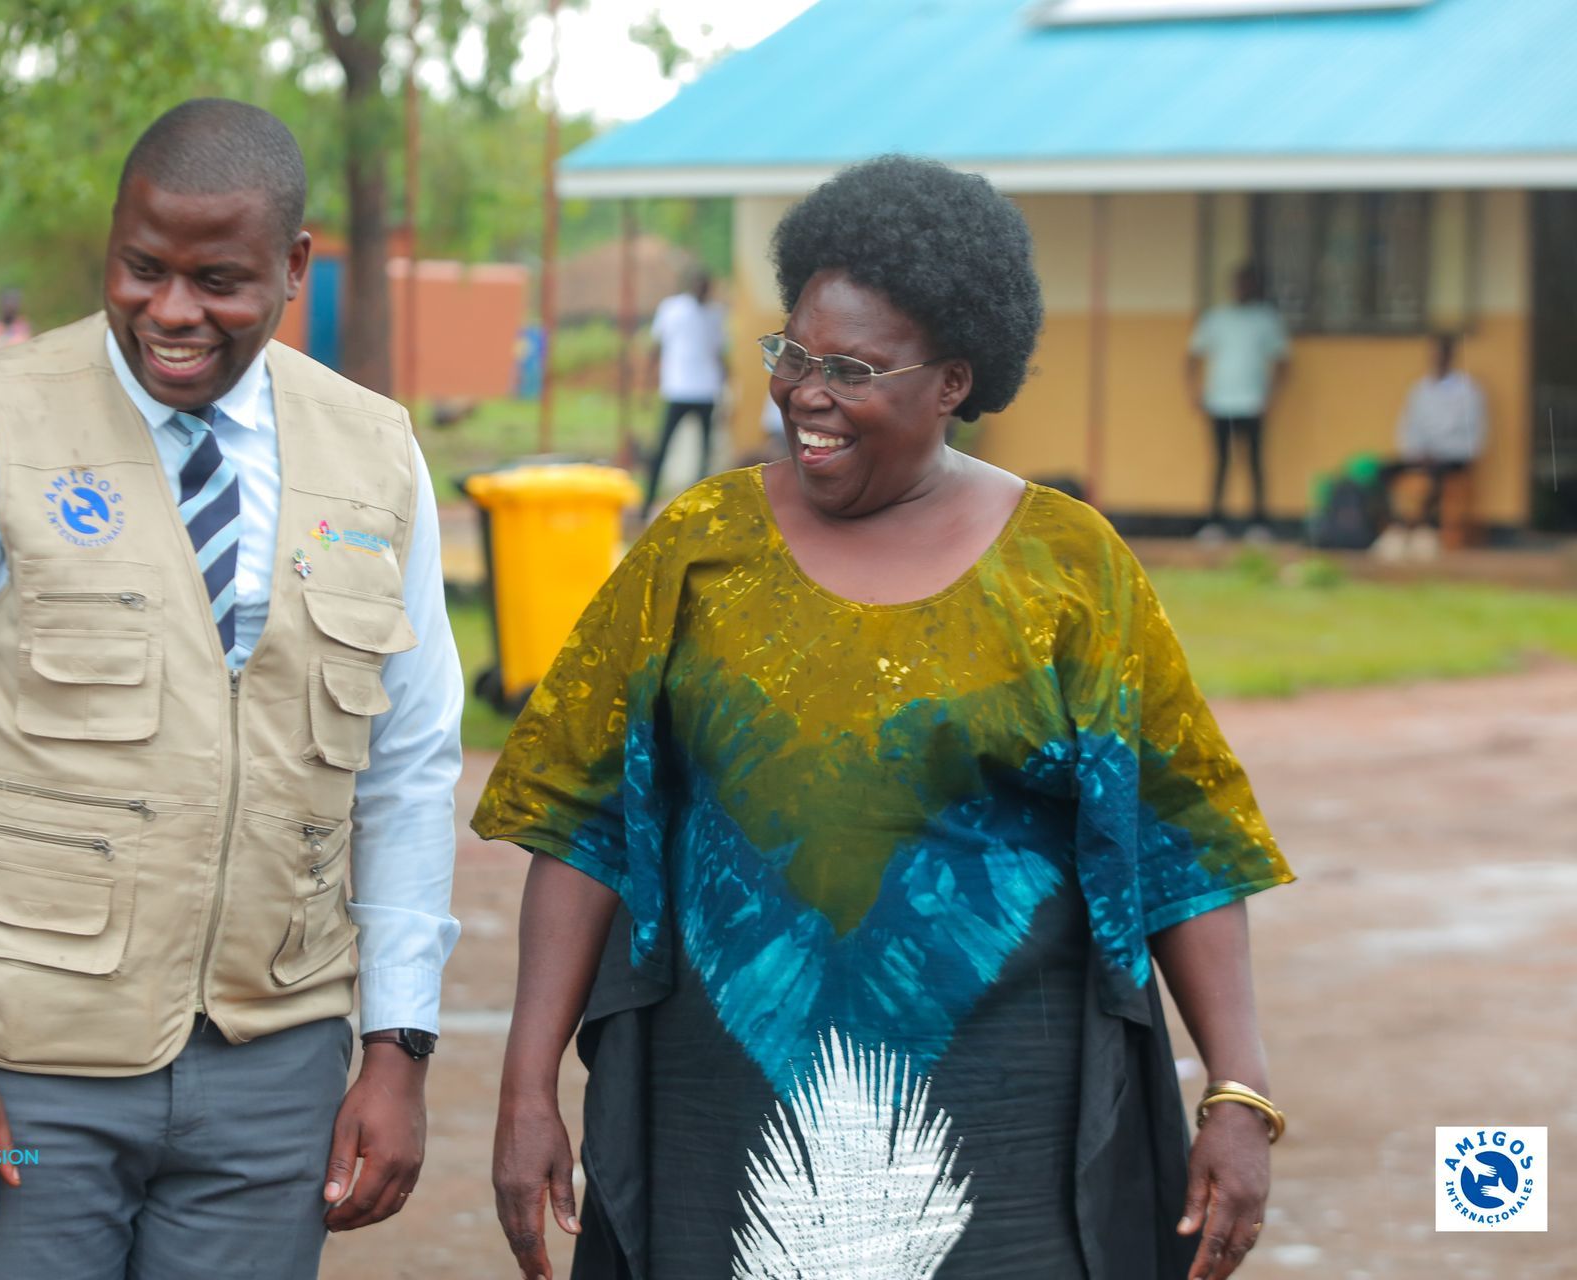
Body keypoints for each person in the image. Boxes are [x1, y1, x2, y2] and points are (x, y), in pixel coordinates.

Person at [475, 156, 1294, 1280]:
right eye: (793, 353)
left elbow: (1183, 840)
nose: (806, 391)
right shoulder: (694, 549)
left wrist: (1239, 1090)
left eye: (851, 367)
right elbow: (581, 823)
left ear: (953, 379)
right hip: (719, 1139)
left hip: (1005, 1149)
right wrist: (526, 1090)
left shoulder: (1068, 567)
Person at [0, 99, 464, 1279]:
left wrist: (398, 1045)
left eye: (218, 279)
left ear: (294, 268)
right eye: (141, 267)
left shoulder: (377, 455)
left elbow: (411, 764)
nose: (170, 311)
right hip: (17, 1054)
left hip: (273, 1068)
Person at [1187, 265, 1290, 541]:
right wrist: (1194, 392)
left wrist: (1273, 396)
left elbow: (1282, 362)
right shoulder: (1217, 318)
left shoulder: (1265, 320)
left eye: (1249, 283)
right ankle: (1215, 521)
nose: (1243, 289)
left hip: (1253, 402)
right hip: (1219, 401)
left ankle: (1258, 521)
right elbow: (1193, 356)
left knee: (1254, 461)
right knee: (1221, 461)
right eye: (1240, 284)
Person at [1373, 334, 1485, 560]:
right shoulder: (1421, 390)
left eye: (1442, 355)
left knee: (1435, 476)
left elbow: (1476, 436)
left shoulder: (1467, 391)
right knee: (1384, 470)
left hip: (1453, 456)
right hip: (1421, 454)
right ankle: (1396, 527)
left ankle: (1426, 529)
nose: (1438, 360)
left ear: (1451, 357)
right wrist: (1416, 453)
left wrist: (1444, 452)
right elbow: (1408, 427)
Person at [642, 270, 728, 510]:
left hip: (706, 391)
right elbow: (655, 349)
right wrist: (647, 388)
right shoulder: (672, 309)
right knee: (663, 447)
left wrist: (726, 389)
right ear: (691, 286)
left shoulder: (715, 314)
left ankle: (699, 504)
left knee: (705, 453)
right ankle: (647, 503)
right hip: (677, 389)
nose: (702, 290)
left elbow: (721, 354)